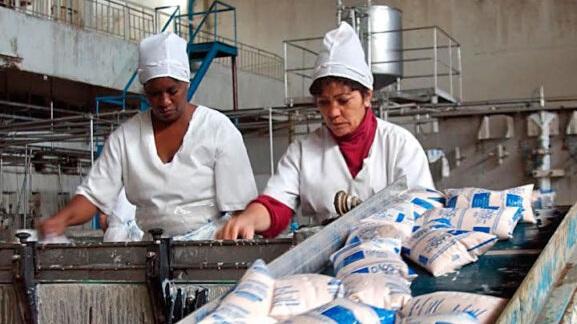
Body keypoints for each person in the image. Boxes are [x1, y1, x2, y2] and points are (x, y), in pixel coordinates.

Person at [218, 22, 433, 240]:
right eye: (324, 103)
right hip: (328, 256)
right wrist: (249, 218)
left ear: (368, 96)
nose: (333, 112)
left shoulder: (400, 145)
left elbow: (423, 209)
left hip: (393, 253)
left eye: (343, 101)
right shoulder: (303, 151)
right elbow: (276, 205)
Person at [39, 32, 257, 239]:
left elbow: (241, 209)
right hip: (153, 251)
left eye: (172, 91)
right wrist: (60, 220)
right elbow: (93, 194)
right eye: (154, 93)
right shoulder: (125, 139)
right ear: (144, 90)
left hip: (210, 246)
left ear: (186, 84)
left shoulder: (218, 130)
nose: (164, 102)